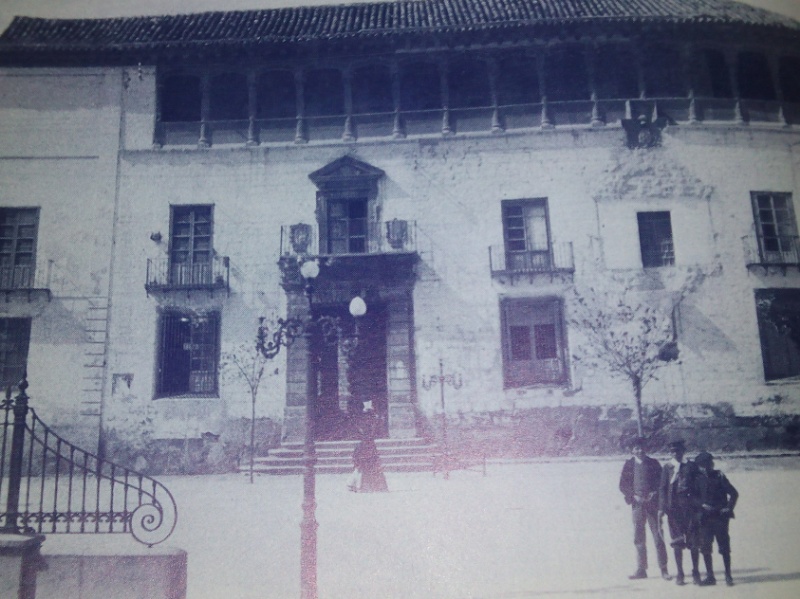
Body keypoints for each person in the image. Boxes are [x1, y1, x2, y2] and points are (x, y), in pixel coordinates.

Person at [619, 437, 671, 580]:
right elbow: (623, 485)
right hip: (637, 505)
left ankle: (664, 569)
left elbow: (662, 483)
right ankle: (641, 569)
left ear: (646, 449)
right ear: (632, 450)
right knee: (639, 537)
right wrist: (633, 496)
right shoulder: (629, 465)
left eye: (641, 448)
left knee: (658, 536)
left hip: (653, 505)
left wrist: (654, 493)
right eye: (636, 448)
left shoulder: (653, 463)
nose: (639, 451)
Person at [693, 451, 738, 586]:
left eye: (708, 464)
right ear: (699, 466)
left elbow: (734, 493)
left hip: (720, 518)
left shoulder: (719, 476)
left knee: (724, 547)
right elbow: (692, 497)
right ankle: (710, 576)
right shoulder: (697, 479)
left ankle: (728, 575)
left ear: (711, 464)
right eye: (702, 465)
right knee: (705, 547)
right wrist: (702, 504)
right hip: (705, 518)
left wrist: (729, 508)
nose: (705, 467)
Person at [659, 440, 700, 585]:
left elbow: (698, 487)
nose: (676, 453)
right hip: (673, 510)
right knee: (677, 542)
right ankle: (680, 573)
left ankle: (695, 572)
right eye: (673, 451)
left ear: (683, 451)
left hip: (689, 509)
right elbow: (663, 489)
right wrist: (661, 509)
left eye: (679, 451)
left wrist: (697, 505)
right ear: (670, 452)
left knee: (693, 541)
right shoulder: (667, 468)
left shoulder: (691, 466)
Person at [349, 406, 388, 493]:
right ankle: (371, 486)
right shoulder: (368, 424)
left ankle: (367, 486)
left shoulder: (368, 424)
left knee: (367, 468)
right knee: (369, 468)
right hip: (367, 446)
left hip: (367, 446)